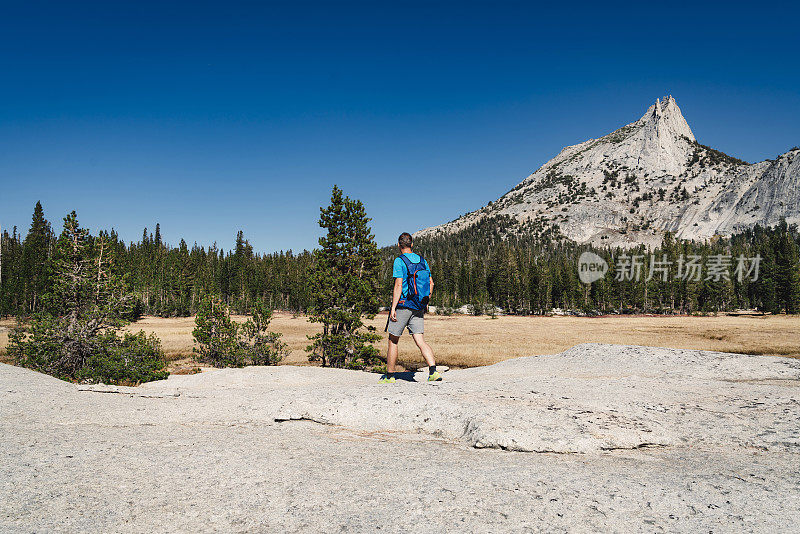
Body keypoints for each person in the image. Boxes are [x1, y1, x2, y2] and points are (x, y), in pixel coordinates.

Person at [380, 232, 442, 383]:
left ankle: (390, 376)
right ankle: (433, 372)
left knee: (393, 340)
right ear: (412, 244)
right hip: (418, 306)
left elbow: (399, 285)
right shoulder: (422, 260)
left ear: (399, 245)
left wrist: (393, 307)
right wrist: (425, 301)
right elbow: (431, 283)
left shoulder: (399, 261)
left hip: (403, 305)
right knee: (420, 340)